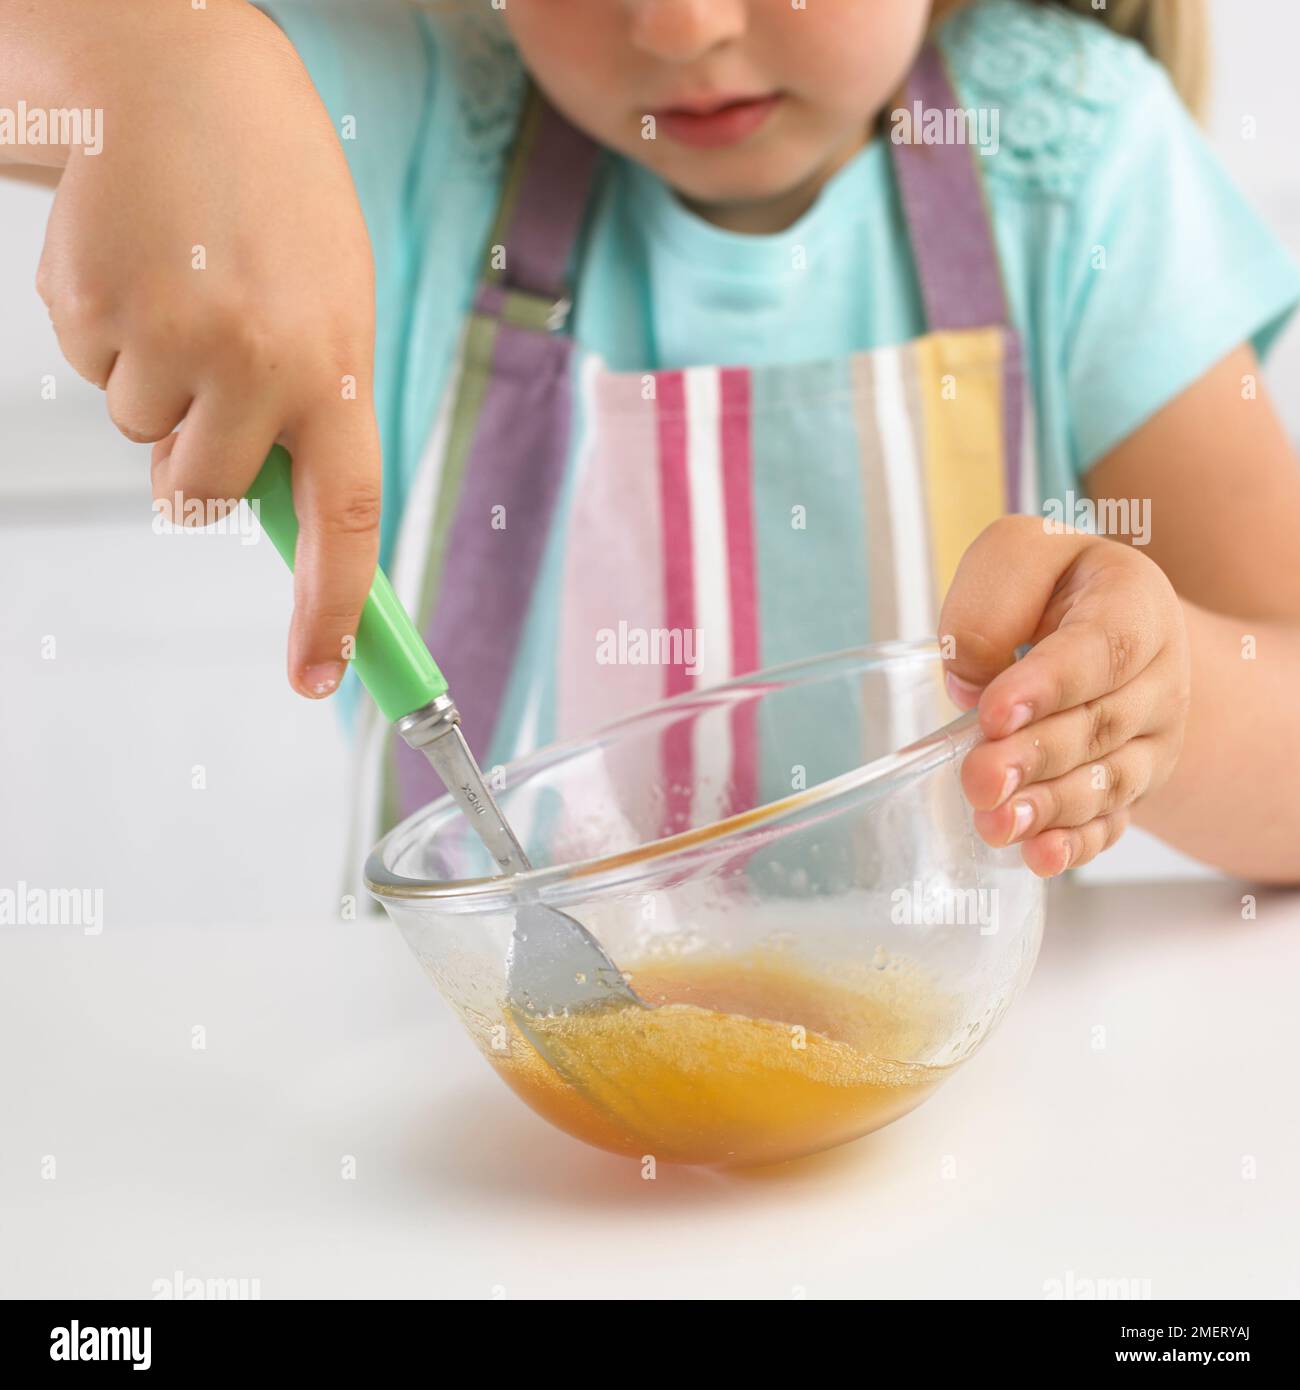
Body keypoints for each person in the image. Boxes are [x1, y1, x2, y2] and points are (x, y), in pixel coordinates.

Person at [5, 0, 1300, 881]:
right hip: (482, 1119)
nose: (682, 26)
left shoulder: (1076, 159)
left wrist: (1163, 692)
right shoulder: (418, 101)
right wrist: (160, 62)